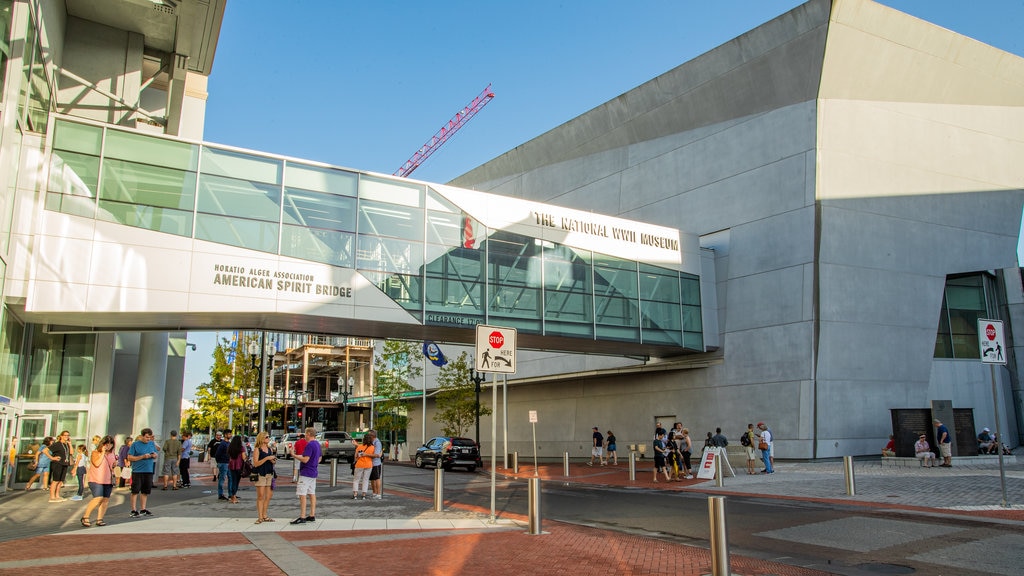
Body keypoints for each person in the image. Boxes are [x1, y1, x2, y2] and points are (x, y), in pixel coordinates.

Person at [82, 435, 116, 527]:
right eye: (106, 444)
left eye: (110, 444)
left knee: (105, 500)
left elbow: (111, 466)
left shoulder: (112, 454)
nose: (108, 446)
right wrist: (102, 453)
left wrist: (114, 465)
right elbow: (96, 463)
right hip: (96, 479)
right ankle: (86, 516)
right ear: (102, 444)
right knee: (98, 498)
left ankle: (100, 518)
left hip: (108, 479)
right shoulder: (95, 452)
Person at [290, 427, 320, 524]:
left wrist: (294, 455)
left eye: (306, 434)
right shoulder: (317, 444)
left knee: (302, 494)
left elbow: (305, 459)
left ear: (309, 434)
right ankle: (312, 514)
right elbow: (319, 458)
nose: (305, 436)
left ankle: (302, 516)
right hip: (313, 471)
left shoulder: (310, 445)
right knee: (312, 493)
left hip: (306, 472)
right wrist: (314, 463)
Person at [126, 427, 159, 517]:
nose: (148, 439)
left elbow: (156, 454)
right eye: (147, 437)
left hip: (148, 470)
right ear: (142, 436)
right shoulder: (135, 444)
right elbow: (130, 457)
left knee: (145, 491)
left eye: (150, 437)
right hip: (138, 470)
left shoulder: (151, 444)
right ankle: (133, 510)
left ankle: (143, 509)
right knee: (135, 490)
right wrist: (142, 457)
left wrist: (154, 455)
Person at [252, 432, 277, 523]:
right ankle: (260, 517)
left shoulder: (269, 449)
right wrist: (266, 458)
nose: (268, 438)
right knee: (261, 496)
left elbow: (273, 462)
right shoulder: (257, 449)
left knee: (269, 495)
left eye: (268, 437)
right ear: (262, 439)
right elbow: (255, 463)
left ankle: (265, 515)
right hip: (260, 474)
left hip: (269, 473)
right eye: (266, 437)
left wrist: (273, 460)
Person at [48, 430, 72, 502]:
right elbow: (45, 450)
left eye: (68, 435)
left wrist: (70, 444)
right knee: (56, 480)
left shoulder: (67, 445)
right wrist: (52, 458)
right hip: (57, 464)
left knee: (61, 481)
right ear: (61, 436)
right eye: (65, 435)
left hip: (65, 463)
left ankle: (57, 495)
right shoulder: (57, 444)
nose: (66, 437)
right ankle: (52, 497)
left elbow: (71, 452)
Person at [352, 435, 375, 500]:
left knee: (356, 480)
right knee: (366, 480)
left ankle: (355, 494)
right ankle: (364, 495)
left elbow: (355, 457)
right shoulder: (373, 447)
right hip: (368, 465)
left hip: (359, 465)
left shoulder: (359, 447)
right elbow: (373, 456)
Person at [226, 434, 245, 504]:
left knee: (233, 481)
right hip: (239, 466)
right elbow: (243, 457)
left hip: (231, 466)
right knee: (236, 482)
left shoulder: (230, 447)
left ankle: (232, 496)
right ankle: (234, 496)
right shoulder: (241, 448)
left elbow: (228, 455)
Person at [213, 430, 231, 501]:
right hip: (223, 463)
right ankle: (220, 494)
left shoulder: (228, 443)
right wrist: (219, 462)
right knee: (222, 478)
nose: (230, 435)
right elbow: (217, 454)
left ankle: (231, 494)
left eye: (230, 434)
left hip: (228, 462)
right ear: (225, 435)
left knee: (230, 478)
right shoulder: (223, 444)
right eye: (229, 434)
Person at [367, 430, 384, 499]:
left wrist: (366, 454)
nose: (368, 436)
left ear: (372, 436)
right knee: (372, 479)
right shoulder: (371, 442)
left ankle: (378, 494)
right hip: (370, 463)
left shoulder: (377, 443)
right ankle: (374, 493)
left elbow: (377, 455)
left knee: (377, 478)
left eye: (369, 435)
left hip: (376, 463)